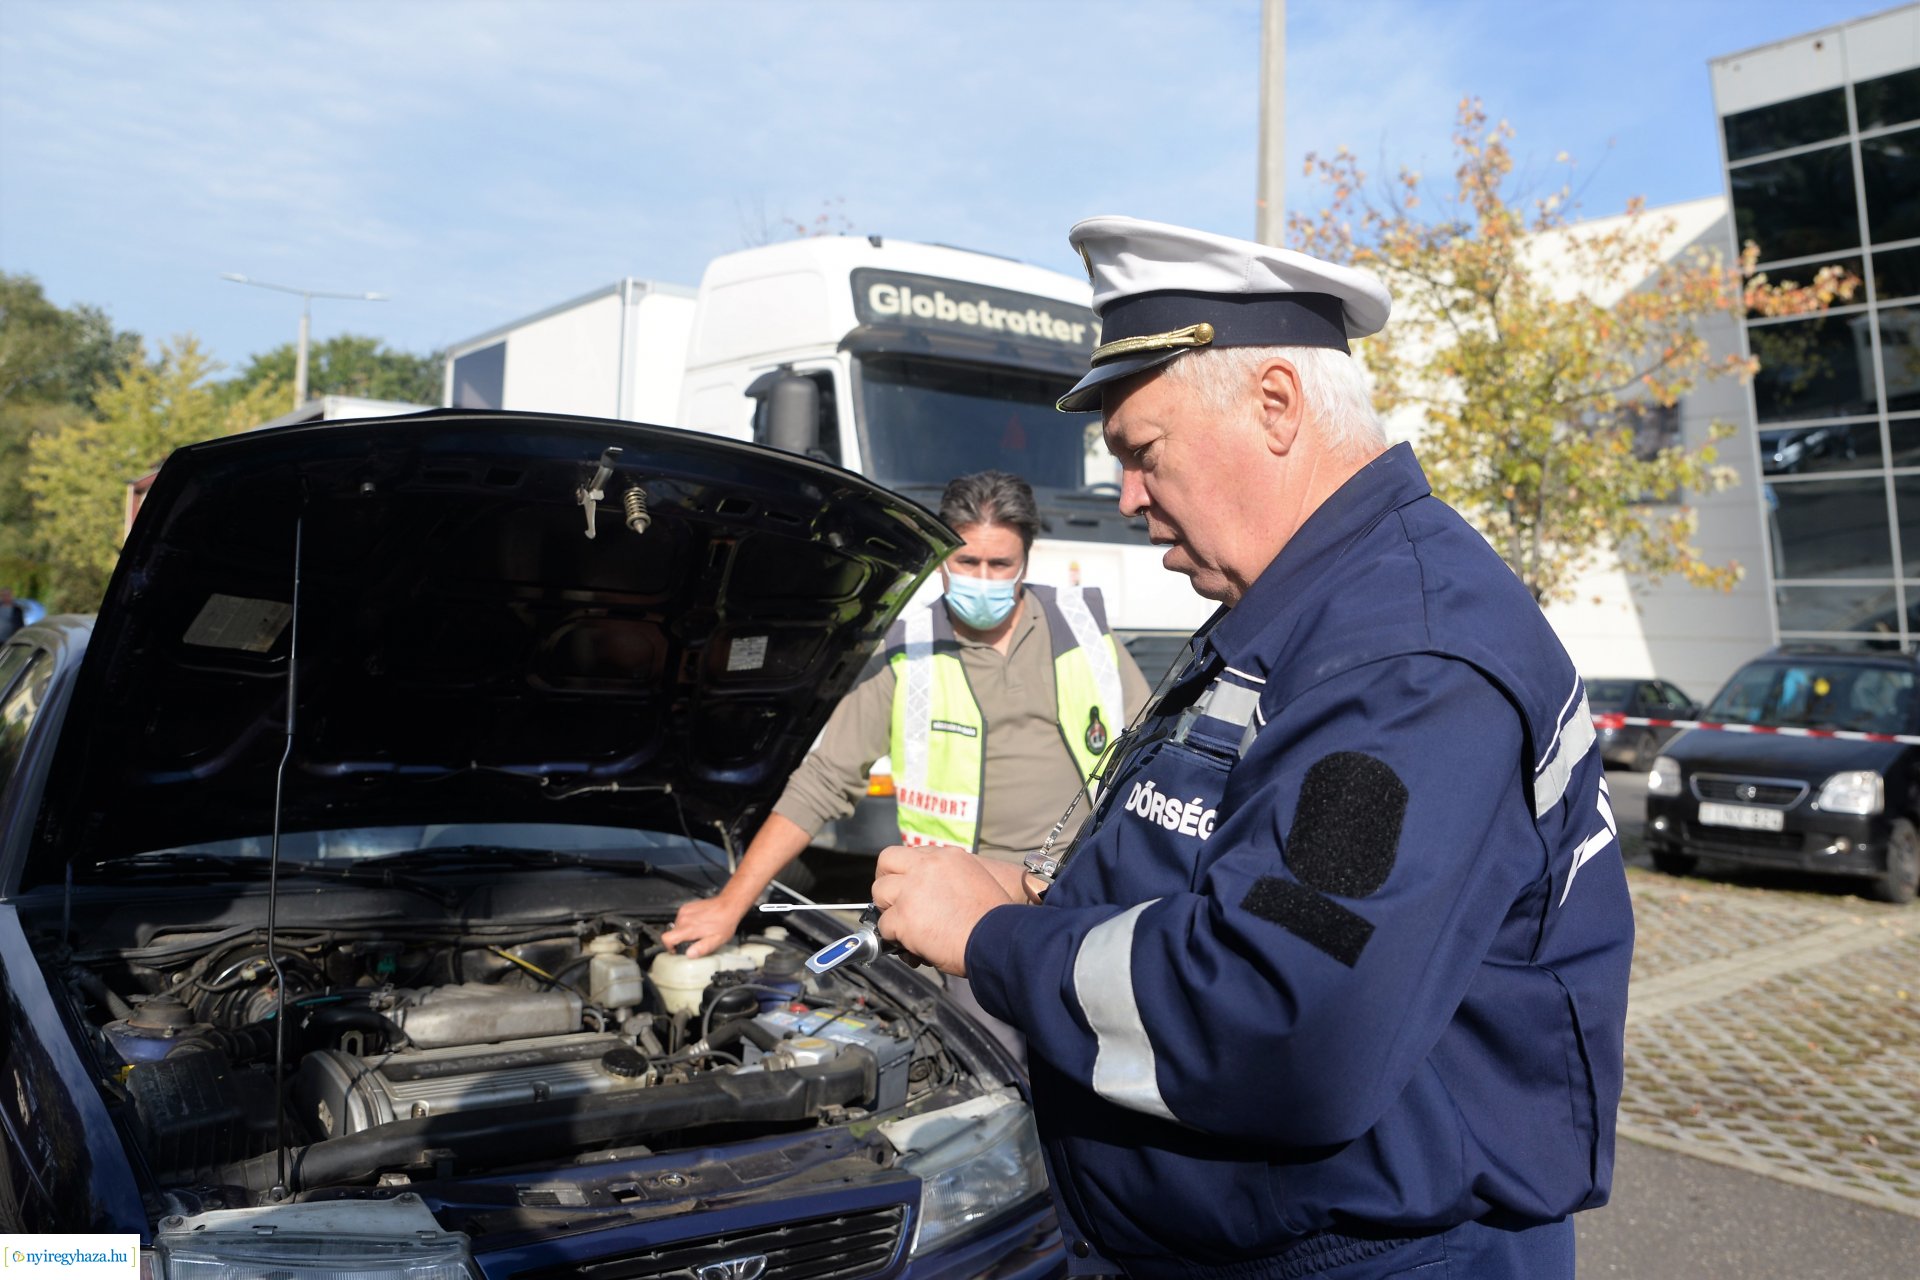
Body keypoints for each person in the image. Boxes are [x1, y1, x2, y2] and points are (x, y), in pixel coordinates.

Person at [870, 217, 1634, 1279]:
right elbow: (1246, 879)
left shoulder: (1404, 658)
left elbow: (1289, 1018)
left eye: (1145, 451)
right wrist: (1055, 904)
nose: (1131, 497)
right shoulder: (1314, 611)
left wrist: (994, 936)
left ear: (1275, 403)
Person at [664, 470, 1151, 1042]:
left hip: (1078, 891)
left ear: (1026, 559)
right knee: (991, 1066)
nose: (984, 580)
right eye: (968, 564)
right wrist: (731, 903)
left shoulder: (1083, 630)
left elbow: (1149, 751)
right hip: (966, 903)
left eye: (1001, 566)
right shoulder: (909, 652)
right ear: (944, 558)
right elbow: (820, 781)